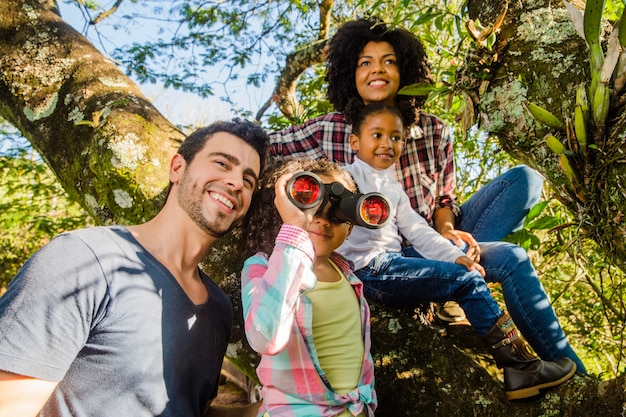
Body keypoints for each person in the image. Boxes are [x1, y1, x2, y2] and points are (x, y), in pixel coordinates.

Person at [268, 17, 587, 374]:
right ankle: (451, 298)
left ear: (405, 70)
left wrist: (448, 234)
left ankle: (571, 374)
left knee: (524, 184)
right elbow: (267, 146)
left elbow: (443, 200)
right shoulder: (328, 128)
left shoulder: (434, 130)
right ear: (349, 73)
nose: (378, 70)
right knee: (497, 259)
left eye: (389, 61)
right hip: (376, 258)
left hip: (428, 238)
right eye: (365, 63)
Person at [0, 119, 269, 417]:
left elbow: (190, 410)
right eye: (221, 163)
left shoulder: (218, 308)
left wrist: (271, 409)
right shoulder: (82, 259)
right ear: (177, 168)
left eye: (248, 181)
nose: (235, 183)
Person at [338, 102, 577, 400]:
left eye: (396, 137)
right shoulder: (343, 177)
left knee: (464, 269)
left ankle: (523, 365)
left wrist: (455, 255)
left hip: (394, 263)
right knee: (467, 281)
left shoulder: (393, 188)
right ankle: (520, 365)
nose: (388, 144)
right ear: (355, 141)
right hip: (369, 270)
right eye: (377, 135)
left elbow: (419, 231)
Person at [240, 158, 376, 416]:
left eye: (338, 213)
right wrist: (295, 229)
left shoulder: (349, 277)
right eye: (312, 207)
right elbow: (264, 337)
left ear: (350, 228)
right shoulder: (262, 267)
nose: (323, 220)